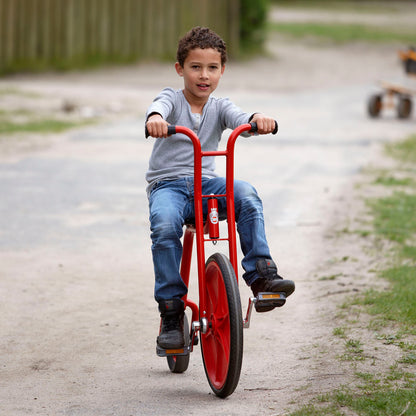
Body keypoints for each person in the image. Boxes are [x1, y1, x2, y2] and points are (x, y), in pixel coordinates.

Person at [145, 27, 295, 350]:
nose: (204, 76)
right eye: (195, 67)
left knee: (246, 194)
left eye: (212, 68)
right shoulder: (172, 100)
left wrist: (258, 119)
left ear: (222, 71)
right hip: (168, 186)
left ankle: (262, 275)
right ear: (179, 69)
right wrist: (156, 119)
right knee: (164, 223)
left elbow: (241, 117)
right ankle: (172, 311)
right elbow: (157, 108)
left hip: (205, 184)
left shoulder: (219, 106)